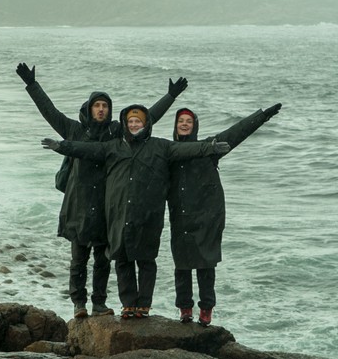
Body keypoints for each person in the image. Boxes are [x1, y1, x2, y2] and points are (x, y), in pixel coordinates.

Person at [16, 63, 187, 319]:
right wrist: (31, 84)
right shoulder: (74, 130)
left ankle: (99, 303)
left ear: (110, 111)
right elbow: (49, 111)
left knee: (103, 260)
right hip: (79, 204)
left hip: (109, 206)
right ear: (89, 107)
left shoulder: (117, 133)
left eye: (105, 106)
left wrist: (171, 96)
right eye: (97, 105)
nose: (101, 109)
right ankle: (78, 303)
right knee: (78, 259)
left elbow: (146, 118)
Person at [43, 105, 230, 319]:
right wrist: (62, 146)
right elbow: (86, 150)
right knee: (123, 259)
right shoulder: (112, 147)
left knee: (146, 260)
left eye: (138, 121)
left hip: (148, 215)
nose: (134, 125)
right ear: (125, 123)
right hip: (119, 214)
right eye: (130, 121)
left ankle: (144, 304)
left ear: (146, 124)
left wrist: (211, 148)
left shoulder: (160, 146)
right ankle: (128, 304)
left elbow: (187, 149)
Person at [168, 103, 281, 326]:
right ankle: (185, 309)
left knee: (205, 264)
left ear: (195, 126)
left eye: (188, 121)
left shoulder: (209, 147)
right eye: (181, 121)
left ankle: (206, 309)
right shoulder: (169, 152)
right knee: (182, 264)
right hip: (180, 215)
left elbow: (236, 133)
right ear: (175, 126)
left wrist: (262, 117)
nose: (184, 124)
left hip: (208, 215)